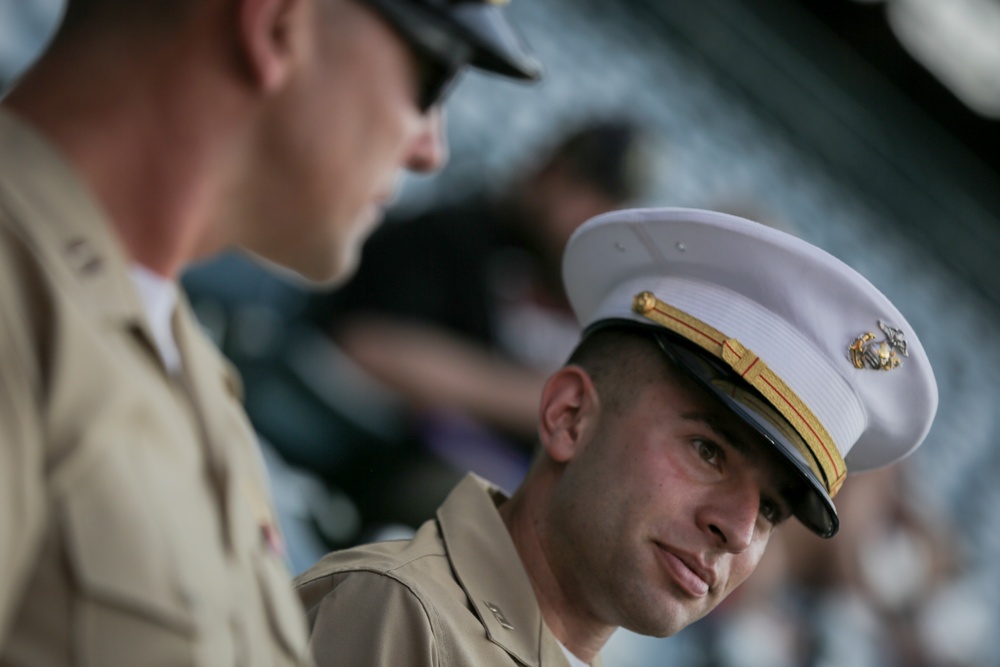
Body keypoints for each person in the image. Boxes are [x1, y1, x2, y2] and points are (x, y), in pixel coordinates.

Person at [0, 0, 538, 663]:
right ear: (276, 24)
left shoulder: (187, 367)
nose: (432, 148)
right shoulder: (21, 303)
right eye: (432, 83)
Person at [295, 207, 938, 666]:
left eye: (771, 510)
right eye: (708, 450)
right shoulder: (411, 621)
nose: (739, 530)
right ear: (570, 416)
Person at [297, 119, 653, 529]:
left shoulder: (575, 300)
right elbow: (367, 347)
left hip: (491, 482)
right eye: (587, 192)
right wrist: (540, 395)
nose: (593, 217)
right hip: (379, 465)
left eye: (612, 205)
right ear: (548, 173)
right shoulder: (450, 237)